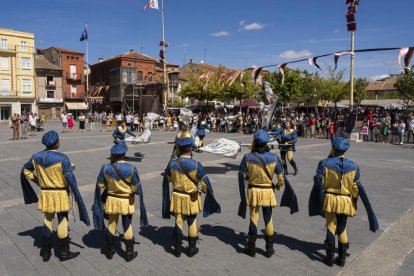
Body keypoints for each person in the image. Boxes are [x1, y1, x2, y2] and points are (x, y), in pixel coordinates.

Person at [20, 131, 90, 262]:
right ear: (57, 143)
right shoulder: (63, 158)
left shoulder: (36, 157)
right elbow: (69, 179)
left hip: (46, 193)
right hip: (60, 193)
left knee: (48, 219)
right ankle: (63, 253)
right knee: (62, 219)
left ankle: (45, 252)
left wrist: (38, 180)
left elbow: (25, 170)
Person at [309, 137, 378, 267]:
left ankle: (329, 259)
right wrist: (355, 202)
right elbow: (355, 189)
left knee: (330, 225)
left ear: (333, 148)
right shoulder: (354, 166)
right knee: (342, 228)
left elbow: (319, 182)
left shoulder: (324, 163)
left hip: (330, 198)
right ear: (346, 149)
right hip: (345, 200)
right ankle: (341, 259)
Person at [162, 132, 221, 257]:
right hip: (192, 197)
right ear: (190, 148)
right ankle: (191, 249)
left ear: (178, 148)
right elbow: (204, 184)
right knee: (192, 221)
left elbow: (168, 179)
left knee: (178, 220)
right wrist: (200, 189)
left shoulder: (172, 164)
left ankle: (177, 249)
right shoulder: (196, 165)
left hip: (177, 196)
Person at [238, 130, 292, 258]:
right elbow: (280, 177)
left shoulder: (248, 157)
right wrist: (278, 186)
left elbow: (242, 175)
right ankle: (269, 249)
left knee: (253, 218)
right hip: (268, 191)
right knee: (268, 219)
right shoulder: (274, 157)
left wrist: (248, 180)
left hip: (253, 191)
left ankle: (251, 249)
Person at [92, 141, 148, 261]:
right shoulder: (132, 168)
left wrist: (112, 184)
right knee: (127, 225)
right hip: (126, 201)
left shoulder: (106, 168)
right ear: (124, 154)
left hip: (111, 200)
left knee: (111, 224)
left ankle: (109, 251)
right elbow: (136, 188)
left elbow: (100, 185)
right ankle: (128, 254)